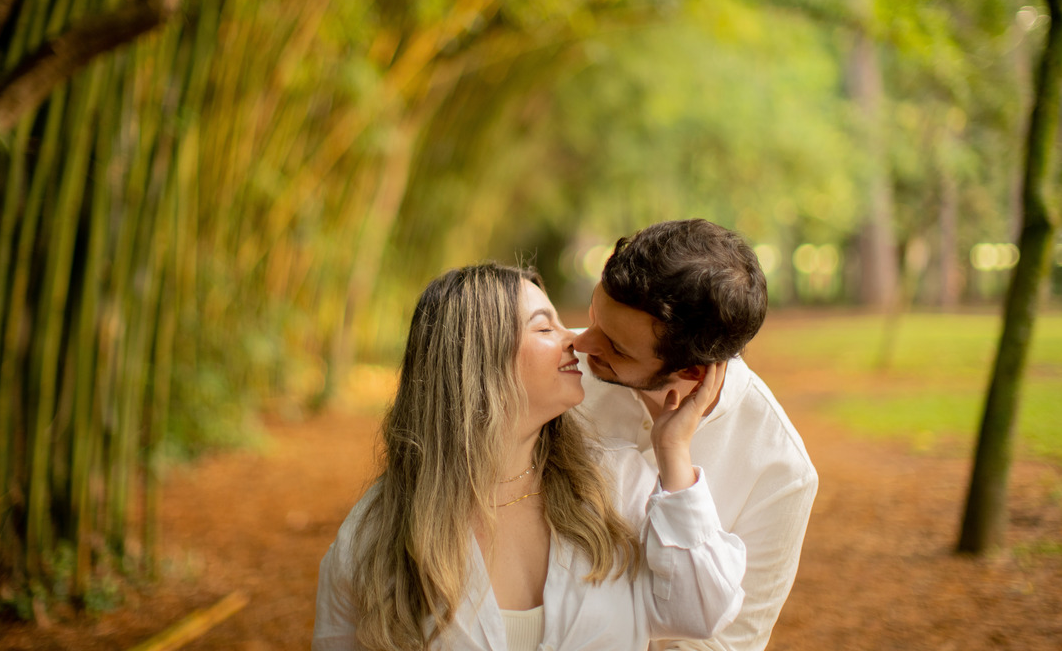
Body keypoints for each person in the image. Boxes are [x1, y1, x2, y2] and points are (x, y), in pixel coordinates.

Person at [313, 263, 746, 651]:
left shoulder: (616, 484)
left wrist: (673, 453)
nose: (574, 339)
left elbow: (701, 613)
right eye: (544, 328)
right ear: (478, 360)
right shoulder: (375, 536)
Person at [573, 219, 818, 651]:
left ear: (692, 372)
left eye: (616, 347)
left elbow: (732, 641)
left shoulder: (781, 471)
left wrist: (674, 463)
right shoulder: (553, 378)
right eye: (594, 316)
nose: (583, 344)